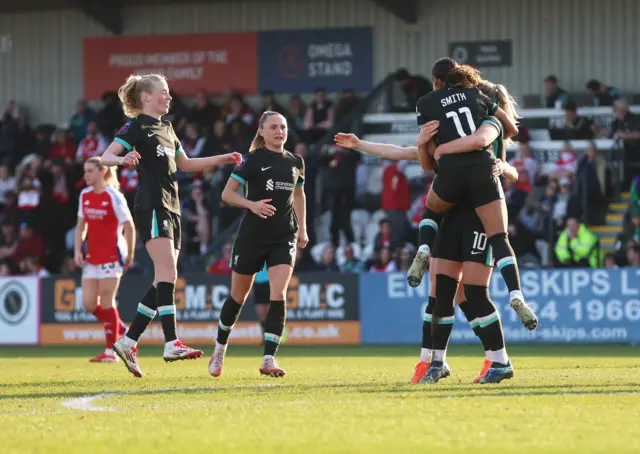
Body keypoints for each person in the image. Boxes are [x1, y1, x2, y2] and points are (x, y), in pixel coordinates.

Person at [100, 73, 242, 378]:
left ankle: (128, 341)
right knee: (168, 274)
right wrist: (122, 161)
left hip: (173, 206)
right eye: (163, 93)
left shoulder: (167, 127)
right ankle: (171, 341)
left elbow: (186, 164)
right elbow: (107, 155)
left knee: (162, 280)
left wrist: (223, 158)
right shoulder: (136, 126)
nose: (169, 97)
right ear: (146, 98)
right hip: (152, 204)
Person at [408, 58, 536, 333]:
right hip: (486, 192)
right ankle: (515, 295)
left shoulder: (430, 104)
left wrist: (437, 148)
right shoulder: (485, 113)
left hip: (453, 193)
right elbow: (503, 146)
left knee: (448, 293)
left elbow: (424, 157)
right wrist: (503, 163)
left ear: (437, 80)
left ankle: (422, 248)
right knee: (479, 280)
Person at [209, 111, 308, 378]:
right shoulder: (251, 160)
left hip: (283, 235)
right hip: (252, 236)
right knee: (237, 297)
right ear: (261, 132)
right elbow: (227, 194)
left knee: (279, 294)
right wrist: (251, 204)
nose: (280, 131)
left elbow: (299, 195)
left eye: (283, 127)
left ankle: (268, 359)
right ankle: (219, 349)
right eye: (274, 127)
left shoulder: (296, 161)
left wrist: (302, 228)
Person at [74, 157, 134, 363]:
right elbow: (81, 227)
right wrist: (77, 250)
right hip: (92, 256)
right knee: (89, 304)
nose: (86, 175)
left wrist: (130, 253)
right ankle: (120, 326)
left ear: (102, 172)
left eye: (90, 171)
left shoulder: (113, 196)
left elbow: (130, 225)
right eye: (85, 171)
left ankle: (111, 352)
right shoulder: (84, 195)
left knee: (107, 302)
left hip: (112, 255)